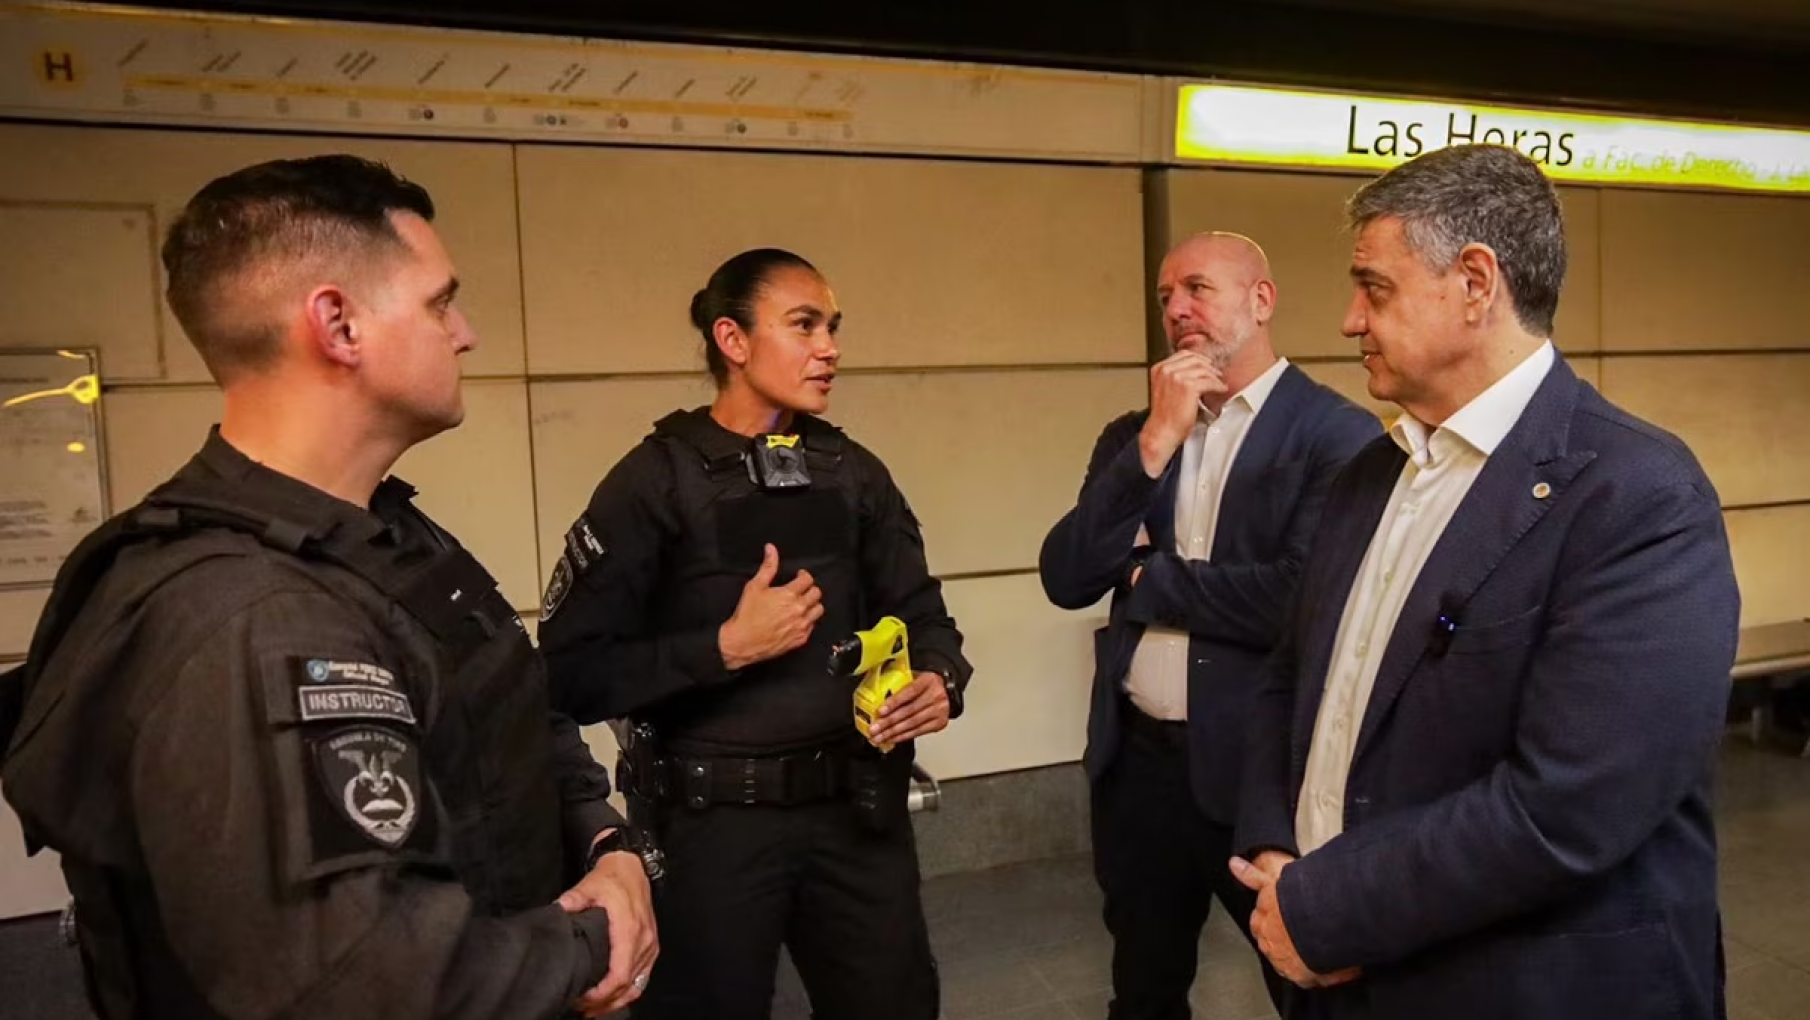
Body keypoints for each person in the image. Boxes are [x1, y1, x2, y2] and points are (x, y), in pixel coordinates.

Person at [0, 155, 659, 1020]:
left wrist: (609, 847)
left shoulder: (387, 537)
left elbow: (513, 711)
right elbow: (368, 984)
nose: (464, 333)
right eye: (439, 302)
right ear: (338, 324)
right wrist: (589, 945)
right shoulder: (253, 617)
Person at [1231, 144, 1739, 1020]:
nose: (1350, 320)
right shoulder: (1366, 476)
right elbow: (1290, 679)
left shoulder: (1638, 494)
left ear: (1475, 283)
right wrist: (1274, 854)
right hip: (1331, 969)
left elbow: (1571, 804)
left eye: (1375, 287)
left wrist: (1328, 907)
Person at [537, 247, 970, 1020]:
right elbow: (568, 676)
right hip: (711, 833)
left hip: (856, 819)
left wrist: (938, 679)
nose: (830, 347)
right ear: (733, 341)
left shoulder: (855, 474)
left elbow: (925, 615)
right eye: (804, 325)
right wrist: (724, 649)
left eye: (833, 327)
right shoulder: (654, 482)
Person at [1038, 232, 1379, 1020]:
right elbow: (1067, 575)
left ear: (1261, 302)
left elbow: (1298, 601)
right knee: (1145, 986)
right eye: (1165, 297)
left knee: (1305, 987)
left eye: (1197, 288)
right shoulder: (1135, 436)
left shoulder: (1337, 436)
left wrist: (1145, 576)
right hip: (1137, 772)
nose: (1177, 310)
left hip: (1260, 778)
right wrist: (1157, 444)